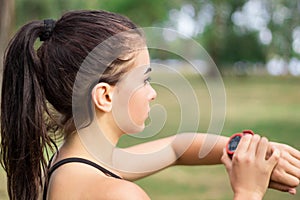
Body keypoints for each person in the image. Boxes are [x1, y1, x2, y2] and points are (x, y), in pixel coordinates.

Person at [0, 10, 299, 200]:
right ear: (105, 96)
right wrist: (248, 192)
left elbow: (175, 148)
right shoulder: (119, 195)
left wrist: (243, 149)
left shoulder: (66, 167)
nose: (152, 93)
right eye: (144, 80)